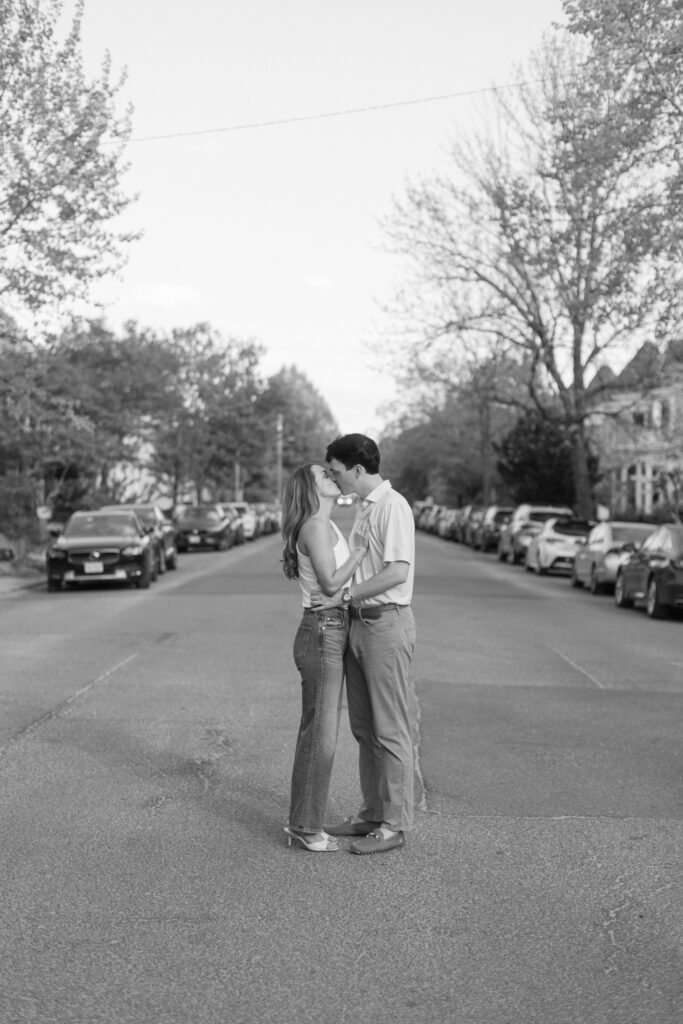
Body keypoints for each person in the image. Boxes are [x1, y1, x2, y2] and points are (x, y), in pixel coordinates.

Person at [313, 433, 416, 856]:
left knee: (391, 729)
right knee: (365, 729)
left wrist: (344, 596)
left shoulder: (393, 506)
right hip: (359, 624)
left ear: (358, 469)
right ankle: (373, 813)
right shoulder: (365, 508)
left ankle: (396, 824)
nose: (335, 479)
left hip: (385, 624)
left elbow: (397, 572)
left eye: (337, 471)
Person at [280, 463, 367, 853]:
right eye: (322, 473)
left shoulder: (327, 525)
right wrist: (360, 553)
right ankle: (304, 826)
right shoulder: (315, 526)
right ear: (309, 488)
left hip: (333, 626)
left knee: (320, 732)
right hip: (322, 630)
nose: (330, 474)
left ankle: (304, 820)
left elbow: (337, 585)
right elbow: (332, 583)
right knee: (320, 736)